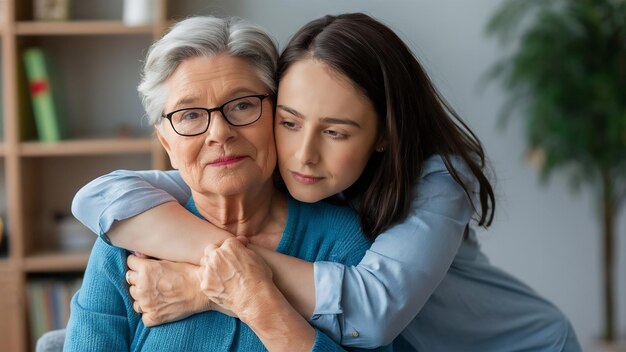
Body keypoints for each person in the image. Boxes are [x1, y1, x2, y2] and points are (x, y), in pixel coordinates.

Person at [73, 13, 582, 351]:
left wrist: (217, 284)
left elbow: (374, 312)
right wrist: (227, 265)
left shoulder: (427, 187)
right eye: (292, 123)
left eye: (243, 106)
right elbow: (99, 196)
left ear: (384, 135)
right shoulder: (141, 226)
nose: (219, 134)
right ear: (163, 135)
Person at [64, 15, 389, 352]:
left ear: (278, 117)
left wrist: (251, 296)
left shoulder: (345, 244)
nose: (220, 133)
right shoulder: (123, 246)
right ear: (166, 145)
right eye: (190, 115)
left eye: (243, 105)